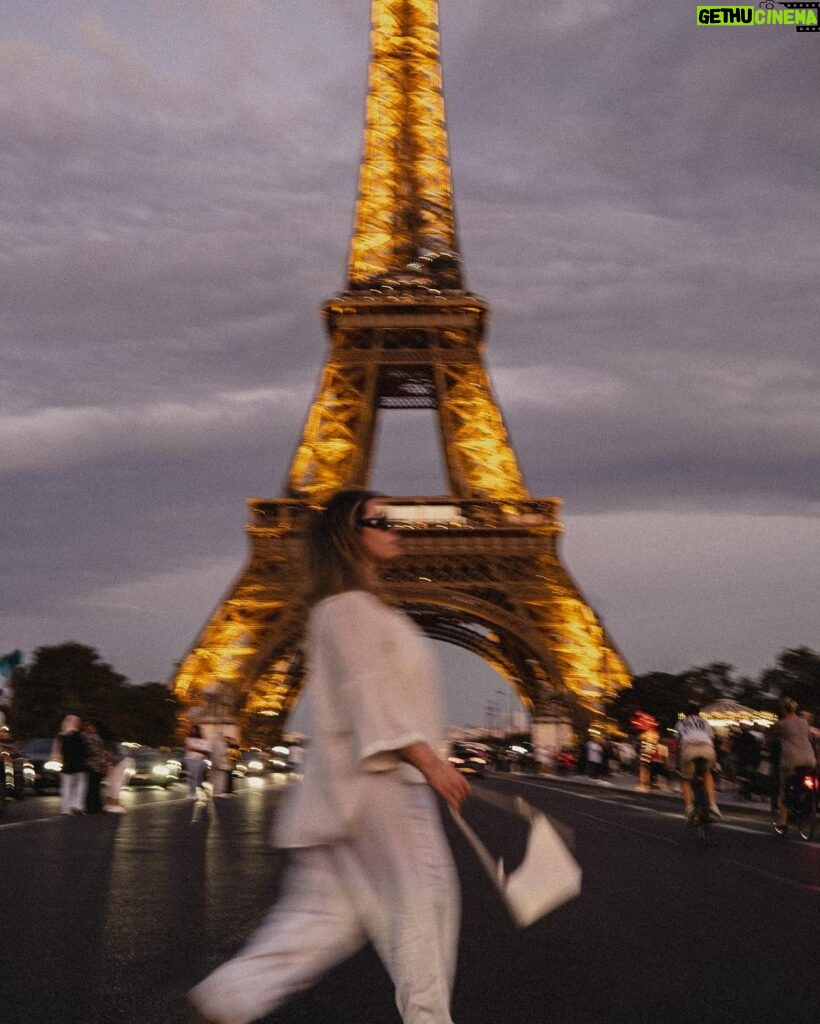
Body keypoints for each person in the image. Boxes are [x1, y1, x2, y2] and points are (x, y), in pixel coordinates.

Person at [189, 489, 471, 1024]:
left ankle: (227, 1000)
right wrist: (429, 760)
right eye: (380, 519)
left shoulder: (344, 609)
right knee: (425, 912)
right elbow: (370, 697)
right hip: (384, 789)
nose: (395, 527)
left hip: (344, 793)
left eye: (397, 519)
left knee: (323, 920)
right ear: (349, 534)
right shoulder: (350, 610)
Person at [773, 697, 817, 829]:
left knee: (783, 787)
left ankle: (782, 821)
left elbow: (770, 738)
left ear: (783, 709)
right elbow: (809, 737)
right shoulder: (804, 722)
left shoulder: (781, 723)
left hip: (791, 759)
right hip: (809, 759)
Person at [675, 701, 720, 821]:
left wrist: (677, 763)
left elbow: (678, 744)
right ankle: (712, 804)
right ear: (698, 713)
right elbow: (711, 742)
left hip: (689, 749)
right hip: (707, 749)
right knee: (707, 774)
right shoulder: (705, 723)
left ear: (685, 714)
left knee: (686, 779)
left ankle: (689, 808)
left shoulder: (681, 723)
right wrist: (714, 762)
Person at [53, 714, 89, 815]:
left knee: (66, 787)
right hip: (79, 764)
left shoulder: (62, 736)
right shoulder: (80, 736)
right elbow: (85, 750)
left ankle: (66, 808)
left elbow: (58, 751)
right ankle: (77, 805)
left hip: (67, 764)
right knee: (80, 785)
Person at [83, 720, 108, 813]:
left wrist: (104, 764)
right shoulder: (86, 738)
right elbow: (94, 751)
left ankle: (96, 807)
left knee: (95, 787)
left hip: (97, 765)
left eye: (91, 727)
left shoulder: (97, 738)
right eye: (88, 727)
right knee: (92, 787)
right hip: (91, 765)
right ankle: (92, 807)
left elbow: (101, 752)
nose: (90, 729)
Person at [184, 723, 210, 799]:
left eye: (194, 729)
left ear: (198, 730)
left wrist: (195, 749)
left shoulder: (202, 740)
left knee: (198, 777)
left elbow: (205, 750)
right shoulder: (188, 738)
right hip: (189, 759)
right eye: (192, 729)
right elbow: (188, 748)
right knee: (191, 777)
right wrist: (198, 749)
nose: (193, 731)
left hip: (199, 759)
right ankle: (191, 793)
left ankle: (196, 793)